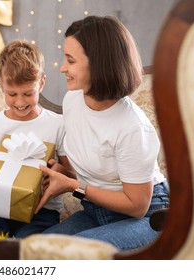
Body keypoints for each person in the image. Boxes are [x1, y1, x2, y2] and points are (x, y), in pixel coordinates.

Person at [37, 16, 169, 251]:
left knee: (69, 257)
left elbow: (136, 205)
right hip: (97, 210)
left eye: (70, 60)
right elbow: (98, 171)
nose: (62, 67)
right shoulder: (73, 100)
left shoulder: (132, 128)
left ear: (98, 64)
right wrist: (64, 172)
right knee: (33, 250)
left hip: (148, 218)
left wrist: (72, 185)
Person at [0, 40, 71, 238]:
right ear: (1, 84)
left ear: (42, 82)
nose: (19, 102)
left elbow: (70, 175)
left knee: (27, 250)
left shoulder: (58, 125)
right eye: (12, 94)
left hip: (42, 211)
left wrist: (58, 172)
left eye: (28, 93)